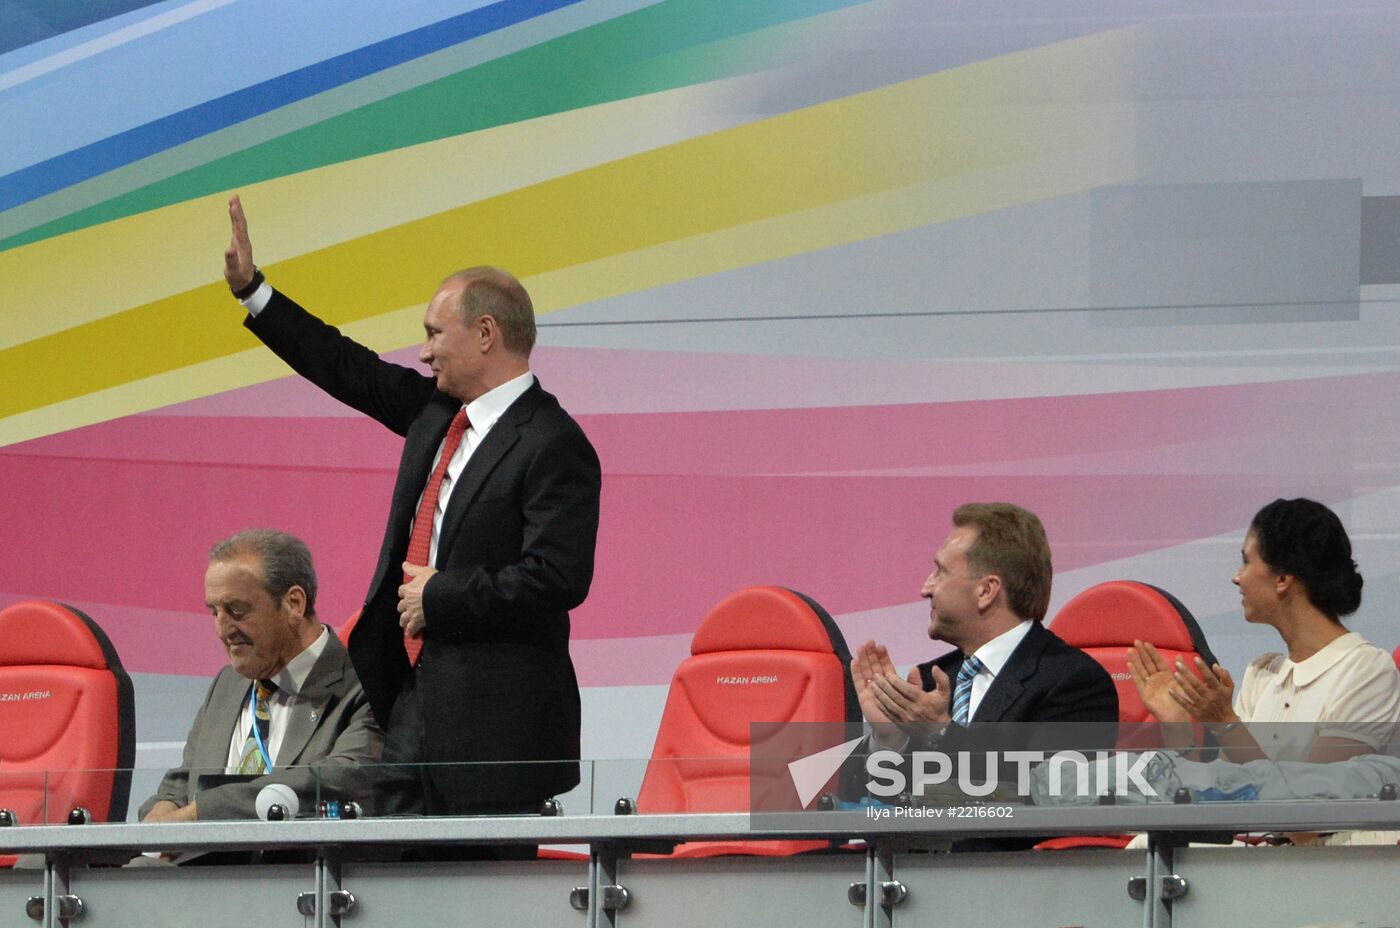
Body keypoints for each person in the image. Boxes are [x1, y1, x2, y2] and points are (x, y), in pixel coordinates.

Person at [222, 196, 601, 817]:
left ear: (485, 334)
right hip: (409, 706)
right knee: (390, 881)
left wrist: (441, 596)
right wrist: (253, 292)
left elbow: (559, 578)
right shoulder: (434, 412)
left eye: (433, 333)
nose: (423, 352)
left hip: (497, 731)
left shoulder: (553, 443)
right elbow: (344, 366)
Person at [851, 503, 1119, 791]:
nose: (926, 588)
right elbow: (863, 806)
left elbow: (1045, 794)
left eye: (940, 572)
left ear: (986, 591)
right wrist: (889, 740)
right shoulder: (928, 681)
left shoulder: (1074, 682)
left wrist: (940, 731)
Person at [1129, 498, 1400, 766]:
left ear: (1282, 579)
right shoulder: (1261, 671)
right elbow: (1226, 790)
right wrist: (1178, 727)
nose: (1237, 577)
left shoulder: (1367, 670)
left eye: (1246, 562)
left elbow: (1315, 797)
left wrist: (1225, 723)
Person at [139, 529, 383, 822]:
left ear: (294, 603)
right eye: (215, 612)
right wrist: (162, 811)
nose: (222, 630)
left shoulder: (364, 685)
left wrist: (200, 816)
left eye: (237, 610)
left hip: (301, 863)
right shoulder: (226, 685)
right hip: (196, 863)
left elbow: (337, 782)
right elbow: (182, 783)